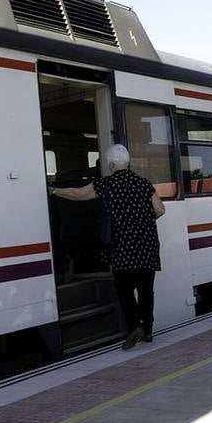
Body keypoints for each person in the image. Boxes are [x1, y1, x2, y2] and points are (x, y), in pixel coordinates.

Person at [49, 144, 165, 349]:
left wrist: (54, 190)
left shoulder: (106, 185)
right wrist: (143, 218)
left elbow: (78, 194)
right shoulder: (144, 184)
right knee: (147, 290)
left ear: (111, 164)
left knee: (124, 290)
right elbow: (160, 209)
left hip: (122, 249)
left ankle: (134, 327)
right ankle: (148, 330)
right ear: (127, 163)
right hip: (147, 248)